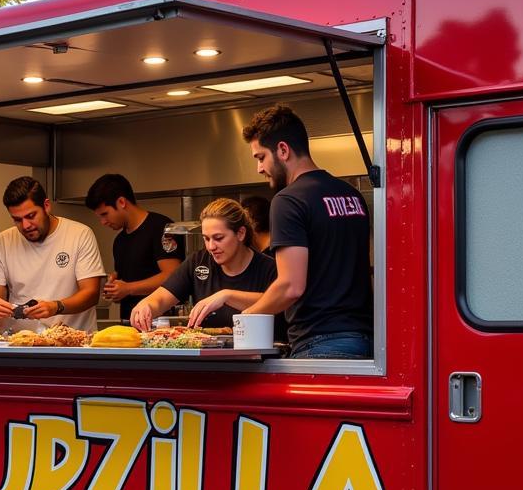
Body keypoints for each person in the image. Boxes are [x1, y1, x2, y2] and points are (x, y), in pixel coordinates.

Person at [240, 104, 373, 359]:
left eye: (260, 157)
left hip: (320, 343)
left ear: (282, 150)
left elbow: (291, 286)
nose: (259, 168)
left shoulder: (288, 200)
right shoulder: (352, 195)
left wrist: (248, 317)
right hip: (365, 341)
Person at [131, 199, 276, 331]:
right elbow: (161, 298)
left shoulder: (269, 268)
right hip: (208, 357)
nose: (211, 246)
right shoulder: (198, 262)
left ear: (240, 233)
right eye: (206, 239)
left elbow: (279, 301)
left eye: (218, 238)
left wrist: (227, 296)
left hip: (260, 358)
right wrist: (146, 306)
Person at [0, 177, 105, 333]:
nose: (26, 225)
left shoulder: (79, 234)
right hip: (18, 342)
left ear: (46, 206)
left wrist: (56, 307)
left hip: (71, 343)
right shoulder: (3, 242)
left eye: (31, 216)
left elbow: (91, 293)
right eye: (17, 220)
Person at [85, 173, 182, 323]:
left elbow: (173, 275)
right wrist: (114, 286)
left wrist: (128, 288)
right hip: (128, 322)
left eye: (105, 214)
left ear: (122, 202)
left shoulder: (160, 227)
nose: (103, 222)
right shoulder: (119, 241)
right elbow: (128, 279)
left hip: (160, 323)